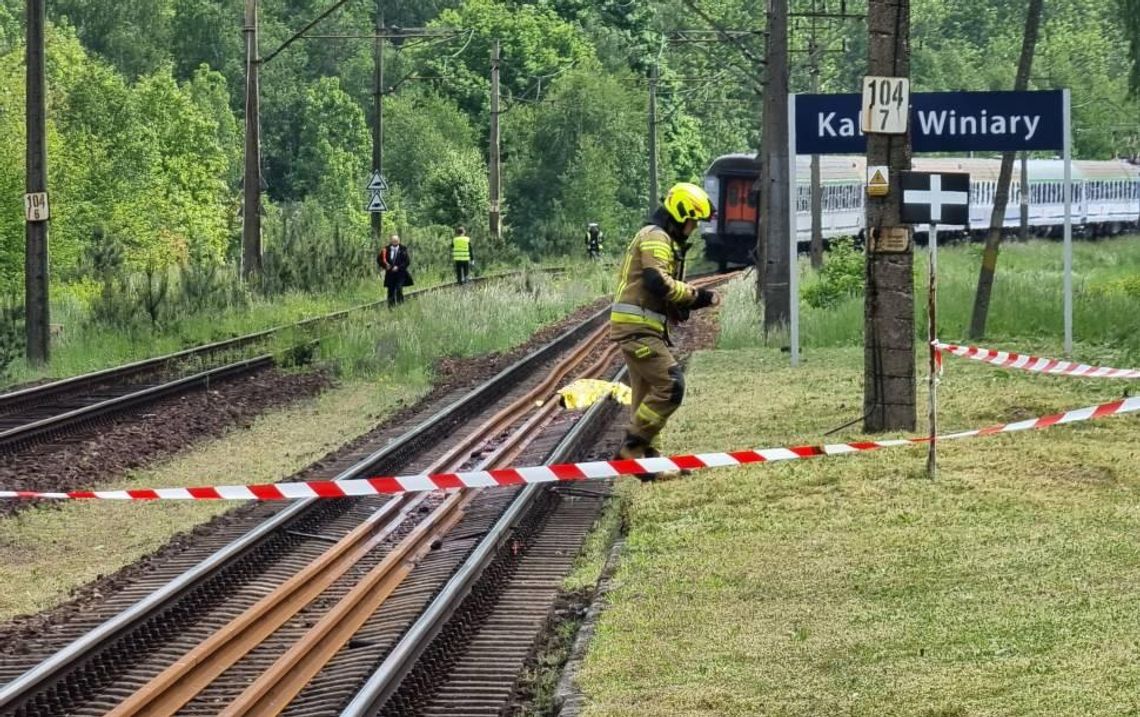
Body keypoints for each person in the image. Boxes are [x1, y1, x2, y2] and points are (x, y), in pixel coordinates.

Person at [610, 182, 720, 481]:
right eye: (692, 221)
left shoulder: (661, 238)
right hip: (638, 328)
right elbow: (656, 281)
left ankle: (649, 465)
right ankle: (631, 450)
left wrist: (682, 306)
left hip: (642, 326)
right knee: (672, 386)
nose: (693, 228)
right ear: (680, 214)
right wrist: (697, 296)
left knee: (645, 394)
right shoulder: (656, 238)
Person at [378, 233, 413, 307]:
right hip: (390, 274)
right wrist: (385, 266)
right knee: (390, 291)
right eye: (393, 241)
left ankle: (401, 305)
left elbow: (407, 262)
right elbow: (379, 260)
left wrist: (398, 267)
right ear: (391, 241)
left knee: (399, 289)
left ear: (399, 241)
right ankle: (391, 307)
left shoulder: (403, 249)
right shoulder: (386, 249)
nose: (395, 243)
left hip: (400, 274)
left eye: (396, 241)